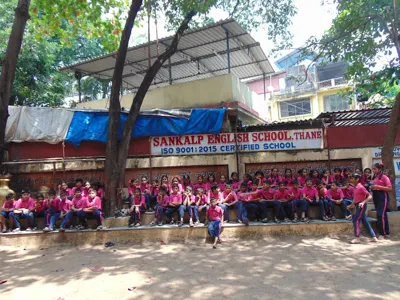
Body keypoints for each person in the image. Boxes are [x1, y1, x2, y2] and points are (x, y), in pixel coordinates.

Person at [347, 174, 378, 244]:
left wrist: (363, 202)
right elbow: (355, 198)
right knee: (365, 221)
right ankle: (373, 237)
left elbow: (370, 196)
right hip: (358, 205)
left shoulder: (361, 187)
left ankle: (357, 238)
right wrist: (351, 205)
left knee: (356, 220)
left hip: (361, 206)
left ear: (357, 179)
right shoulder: (355, 187)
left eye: (352, 178)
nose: (350, 179)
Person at [370, 163, 393, 239]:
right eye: (372, 169)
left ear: (379, 169)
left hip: (382, 196)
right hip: (376, 195)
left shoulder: (384, 177)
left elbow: (390, 188)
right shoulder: (375, 177)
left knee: (381, 215)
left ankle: (382, 233)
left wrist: (378, 187)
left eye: (375, 169)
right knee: (382, 215)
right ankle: (386, 232)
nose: (373, 170)